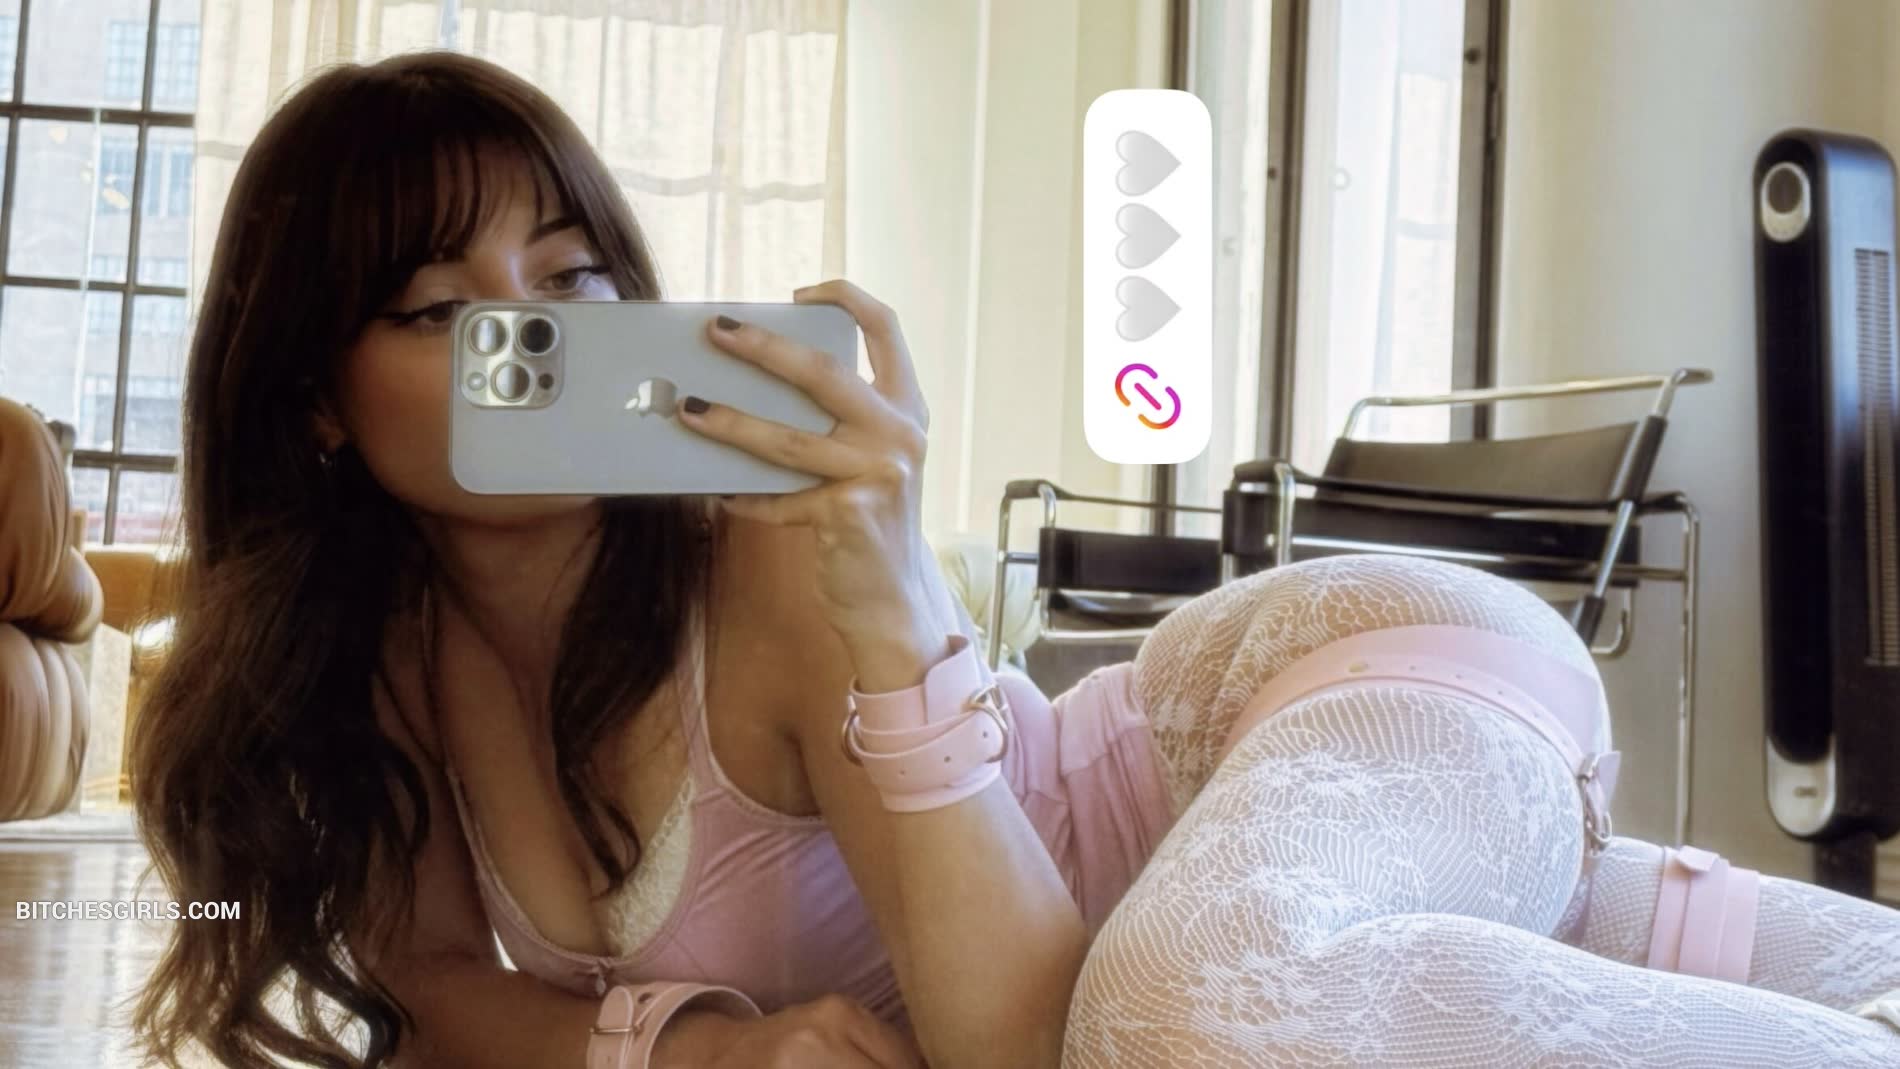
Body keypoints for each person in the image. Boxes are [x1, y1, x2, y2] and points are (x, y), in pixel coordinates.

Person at [126, 50, 1900, 1069]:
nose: (533, 340)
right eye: (442, 311)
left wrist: (893, 600)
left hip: (1306, 694)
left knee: (1167, 1013)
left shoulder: (765, 571)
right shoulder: (360, 675)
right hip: (1314, 889)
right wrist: (699, 1047)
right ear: (316, 404)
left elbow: (1025, 1044)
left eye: (573, 279)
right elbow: (432, 982)